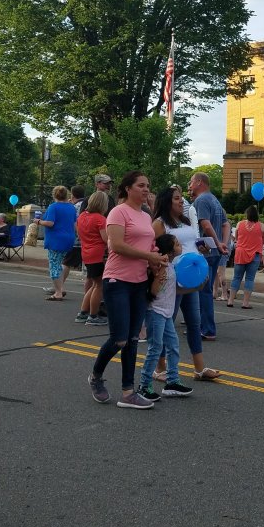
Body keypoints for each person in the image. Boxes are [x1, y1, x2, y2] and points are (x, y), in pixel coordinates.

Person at [87, 170, 168, 408]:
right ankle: (96, 377)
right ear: (127, 188)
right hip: (117, 281)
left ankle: (128, 393)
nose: (146, 189)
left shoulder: (145, 215)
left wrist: (157, 259)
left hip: (139, 282)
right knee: (120, 339)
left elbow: (149, 244)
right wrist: (148, 256)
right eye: (141, 185)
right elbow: (117, 245)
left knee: (133, 339)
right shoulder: (118, 212)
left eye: (147, 185)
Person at [152, 185, 221, 381]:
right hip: (172, 280)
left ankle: (199, 368)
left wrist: (203, 249)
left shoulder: (185, 221)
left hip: (192, 278)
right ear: (166, 202)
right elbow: (154, 250)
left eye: (181, 197)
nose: (181, 200)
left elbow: (192, 244)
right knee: (167, 323)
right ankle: (159, 367)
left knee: (194, 322)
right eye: (176, 198)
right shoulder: (159, 224)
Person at [137, 233, 194, 401]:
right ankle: (144, 385)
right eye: (177, 244)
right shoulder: (160, 266)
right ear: (169, 251)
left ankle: (172, 382)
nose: (180, 245)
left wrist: (197, 286)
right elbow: (154, 291)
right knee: (155, 347)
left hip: (166, 312)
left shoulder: (171, 266)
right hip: (155, 311)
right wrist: (159, 273)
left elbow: (174, 290)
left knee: (173, 345)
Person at [188, 171, 230, 341]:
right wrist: (223, 243)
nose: (190, 185)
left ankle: (207, 329)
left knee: (202, 292)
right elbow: (226, 224)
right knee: (205, 290)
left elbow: (205, 224)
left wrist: (218, 243)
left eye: (191, 181)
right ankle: (202, 326)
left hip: (205, 251)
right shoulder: (215, 200)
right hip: (215, 253)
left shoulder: (201, 200)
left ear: (199, 182)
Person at [36, 187, 77, 300]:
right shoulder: (71, 207)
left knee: (54, 265)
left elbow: (50, 223)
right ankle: (61, 288)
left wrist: (39, 221)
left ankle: (58, 292)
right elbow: (75, 225)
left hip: (56, 239)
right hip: (69, 238)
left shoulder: (53, 207)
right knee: (60, 264)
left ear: (54, 195)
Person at [74, 190, 109, 325]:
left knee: (94, 284)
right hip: (98, 254)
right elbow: (106, 239)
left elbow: (79, 234)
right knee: (99, 285)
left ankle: (83, 312)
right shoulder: (100, 219)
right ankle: (93, 315)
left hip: (86, 253)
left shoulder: (82, 216)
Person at [227, 205, 264, 309]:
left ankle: (230, 300)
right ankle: (245, 303)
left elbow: (236, 238)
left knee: (236, 277)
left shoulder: (240, 224)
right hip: (255, 254)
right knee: (249, 279)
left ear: (247, 214)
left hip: (240, 253)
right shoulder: (262, 226)